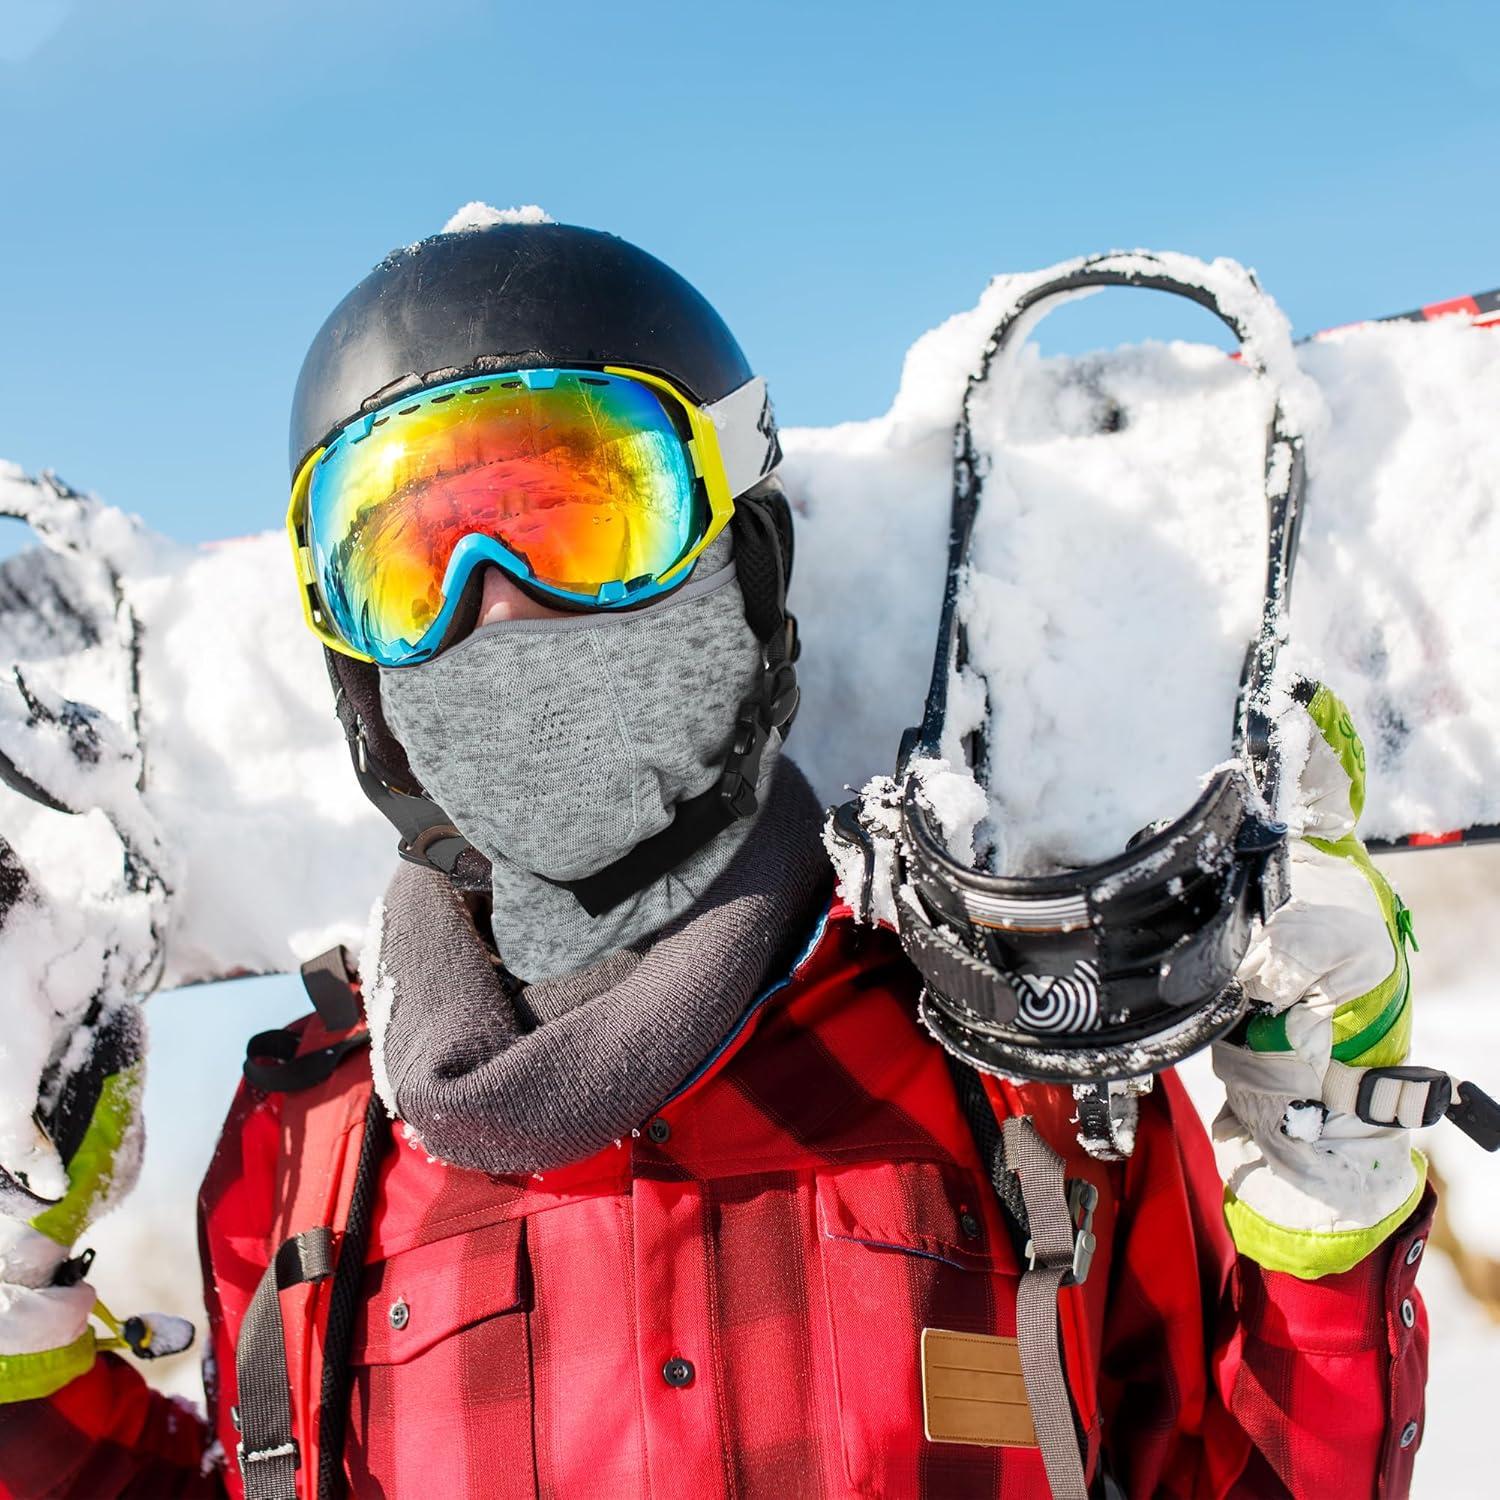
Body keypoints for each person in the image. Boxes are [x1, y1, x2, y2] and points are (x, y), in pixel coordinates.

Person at [0, 221, 1433, 1499]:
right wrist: (16, 1348)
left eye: (584, 516)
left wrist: (1325, 1202)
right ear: (353, 668)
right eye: (411, 564)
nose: (497, 611)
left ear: (743, 555)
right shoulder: (305, 1148)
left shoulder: (1009, 1068)